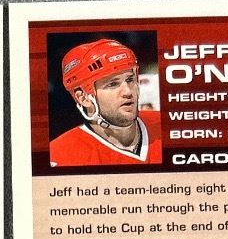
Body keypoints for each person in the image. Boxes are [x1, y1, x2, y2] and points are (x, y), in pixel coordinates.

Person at [48, 38, 162, 167]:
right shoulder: (60, 155)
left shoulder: (168, 126)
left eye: (130, 79)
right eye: (112, 84)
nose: (128, 91)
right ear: (83, 98)